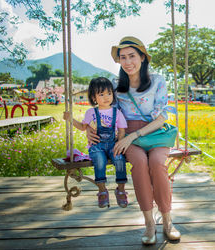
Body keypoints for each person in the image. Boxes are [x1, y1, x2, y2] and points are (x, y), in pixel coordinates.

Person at [87, 36, 181, 245]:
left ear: (142, 57)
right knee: (139, 164)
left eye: (132, 56)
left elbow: (161, 118)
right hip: (126, 136)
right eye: (123, 57)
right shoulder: (115, 85)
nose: (128, 62)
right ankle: (149, 223)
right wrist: (88, 129)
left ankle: (167, 221)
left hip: (154, 133)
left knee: (157, 164)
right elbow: (104, 112)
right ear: (119, 61)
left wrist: (135, 135)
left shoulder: (157, 81)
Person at [63, 77, 128, 208]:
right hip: (97, 147)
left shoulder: (117, 112)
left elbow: (121, 130)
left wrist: (119, 144)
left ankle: (120, 189)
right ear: (94, 98)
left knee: (120, 159)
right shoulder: (91, 112)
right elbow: (83, 127)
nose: (107, 97)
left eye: (109, 93)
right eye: (101, 94)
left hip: (113, 144)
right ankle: (102, 190)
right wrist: (70, 119)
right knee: (99, 160)